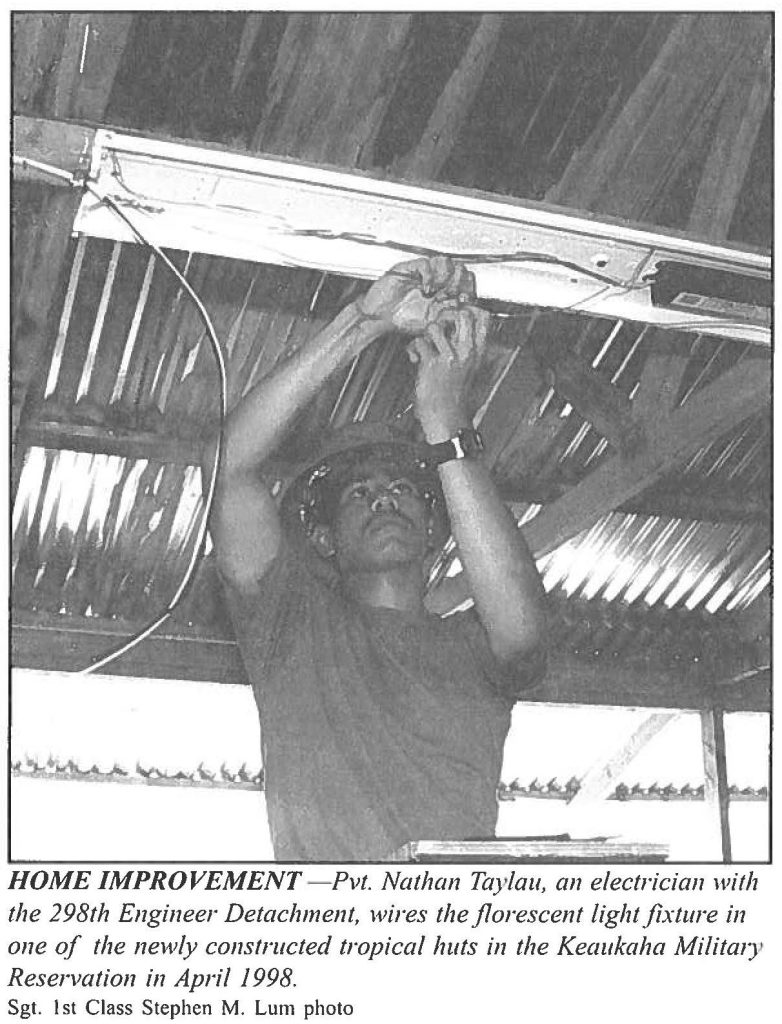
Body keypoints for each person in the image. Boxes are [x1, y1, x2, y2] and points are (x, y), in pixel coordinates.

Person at [209, 256, 548, 861]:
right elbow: (228, 468)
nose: (383, 500)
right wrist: (363, 322)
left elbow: (523, 630)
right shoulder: (293, 625)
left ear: (437, 530)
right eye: (358, 493)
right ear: (325, 538)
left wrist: (445, 417)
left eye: (402, 491)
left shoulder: (475, 648)